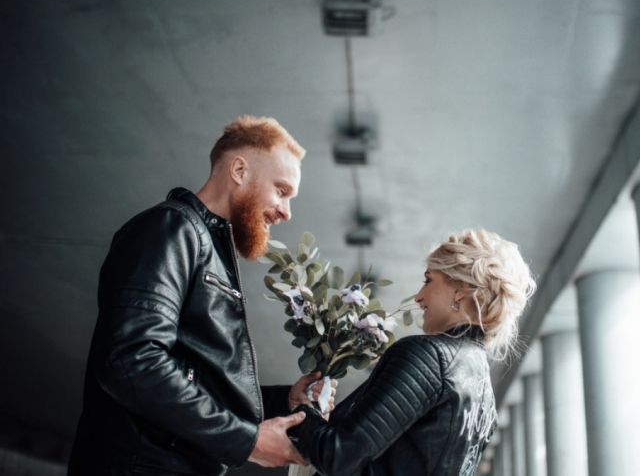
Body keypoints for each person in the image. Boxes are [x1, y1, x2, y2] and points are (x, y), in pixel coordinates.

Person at [68, 115, 334, 475]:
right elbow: (131, 360)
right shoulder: (170, 229)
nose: (286, 212)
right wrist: (247, 441)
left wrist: (282, 400)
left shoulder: (208, 246)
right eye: (281, 191)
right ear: (239, 170)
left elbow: (198, 379)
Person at [289, 229, 536, 476]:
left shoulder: (427, 357)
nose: (418, 297)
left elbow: (339, 456)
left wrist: (302, 411)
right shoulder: (485, 395)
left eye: (428, 280)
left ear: (460, 290)